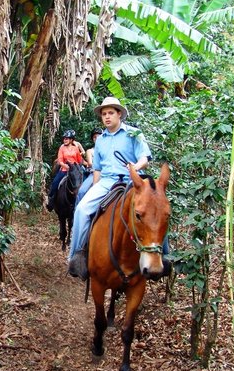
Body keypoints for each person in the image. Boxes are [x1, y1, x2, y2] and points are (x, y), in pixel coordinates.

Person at [68, 97, 166, 280]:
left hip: (133, 180)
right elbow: (97, 169)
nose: (107, 117)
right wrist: (95, 190)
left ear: (119, 114)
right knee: (81, 209)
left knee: (157, 209)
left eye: (111, 113)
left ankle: (165, 255)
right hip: (107, 181)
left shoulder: (133, 133)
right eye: (104, 114)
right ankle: (77, 256)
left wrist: (135, 167)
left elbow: (144, 158)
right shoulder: (101, 141)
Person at [46, 129, 85, 211]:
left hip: (75, 170)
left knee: (84, 181)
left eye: (67, 138)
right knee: (55, 183)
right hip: (64, 169)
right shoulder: (62, 148)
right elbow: (60, 161)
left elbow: (79, 159)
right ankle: (51, 201)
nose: (65, 140)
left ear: (71, 140)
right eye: (64, 138)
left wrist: (86, 164)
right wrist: (66, 166)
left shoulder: (75, 149)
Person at [76, 127, 102, 205]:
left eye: (99, 136)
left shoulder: (109, 149)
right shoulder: (90, 151)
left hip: (108, 174)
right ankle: (76, 214)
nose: (97, 138)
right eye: (95, 137)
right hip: (94, 173)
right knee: (81, 192)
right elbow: (90, 163)